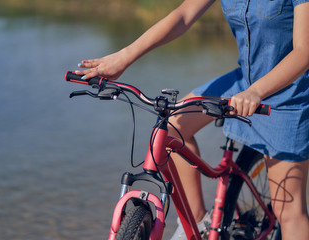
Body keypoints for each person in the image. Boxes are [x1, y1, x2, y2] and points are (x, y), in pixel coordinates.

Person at [75, 0, 309, 239]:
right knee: (171, 129)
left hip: (288, 92)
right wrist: (124, 57)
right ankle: (198, 222)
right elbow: (184, 15)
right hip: (243, 82)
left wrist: (256, 93)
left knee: (288, 211)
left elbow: (304, 51)